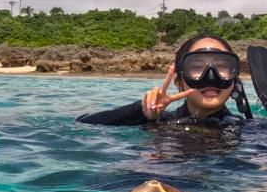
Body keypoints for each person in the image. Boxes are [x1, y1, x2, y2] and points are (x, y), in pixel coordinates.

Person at [76, 34, 252, 127]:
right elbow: (82, 124)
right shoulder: (160, 122)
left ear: (234, 81)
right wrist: (141, 112)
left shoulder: (249, 131)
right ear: (178, 81)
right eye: (197, 66)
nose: (211, 76)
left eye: (222, 66)